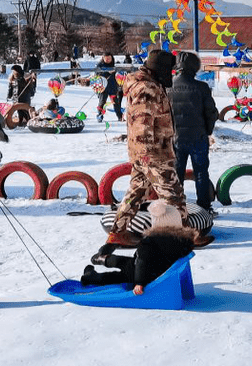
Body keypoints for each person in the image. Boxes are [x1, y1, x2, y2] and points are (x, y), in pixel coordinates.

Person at [105, 50, 198, 250]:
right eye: (169, 69)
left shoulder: (149, 84)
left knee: (136, 192)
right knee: (173, 195)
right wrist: (147, 154)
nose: (171, 74)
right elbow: (141, 123)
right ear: (161, 69)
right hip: (152, 152)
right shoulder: (147, 88)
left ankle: (117, 233)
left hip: (145, 152)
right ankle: (187, 237)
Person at [85, 200, 200, 293]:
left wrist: (139, 282)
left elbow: (142, 261)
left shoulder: (150, 242)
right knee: (123, 262)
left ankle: (92, 274)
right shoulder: (185, 242)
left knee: (117, 272)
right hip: (161, 272)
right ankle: (102, 259)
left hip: (144, 274)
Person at [168, 52, 219, 215]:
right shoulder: (202, 87)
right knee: (201, 173)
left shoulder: (168, 87)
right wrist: (207, 130)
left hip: (175, 138)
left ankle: (176, 208)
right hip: (198, 137)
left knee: (176, 174)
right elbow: (212, 112)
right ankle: (204, 207)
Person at [95, 54, 123, 122]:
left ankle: (120, 116)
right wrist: (107, 72)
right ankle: (99, 115)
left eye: (109, 58)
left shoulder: (113, 65)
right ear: (103, 58)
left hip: (112, 87)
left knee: (116, 102)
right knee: (102, 102)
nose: (108, 60)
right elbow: (97, 74)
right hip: (103, 87)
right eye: (106, 58)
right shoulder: (100, 65)